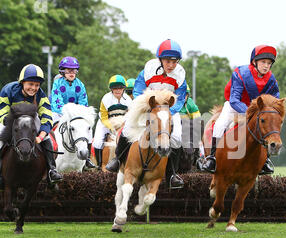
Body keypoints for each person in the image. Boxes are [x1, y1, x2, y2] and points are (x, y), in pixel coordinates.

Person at [105, 39, 187, 189]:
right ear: (160, 60)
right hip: (147, 107)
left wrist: (168, 111)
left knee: (176, 137)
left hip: (168, 110)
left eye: (175, 62)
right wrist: (149, 107)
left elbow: (180, 99)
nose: (171, 65)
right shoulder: (148, 70)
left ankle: (172, 175)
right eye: (168, 61)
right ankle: (117, 159)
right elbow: (137, 91)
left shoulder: (180, 75)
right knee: (128, 127)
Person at [202, 45, 280, 174]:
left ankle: (265, 160)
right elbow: (234, 100)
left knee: (267, 128)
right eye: (263, 62)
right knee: (220, 125)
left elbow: (274, 100)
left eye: (269, 63)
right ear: (254, 62)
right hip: (235, 106)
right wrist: (249, 111)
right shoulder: (240, 73)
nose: (266, 66)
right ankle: (212, 158)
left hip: (257, 111)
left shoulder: (271, 79)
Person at [0, 64, 63, 190]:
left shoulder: (41, 95)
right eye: (30, 84)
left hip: (32, 120)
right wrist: (8, 122)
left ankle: (51, 172)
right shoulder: (8, 90)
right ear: (22, 82)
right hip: (12, 120)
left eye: (37, 85)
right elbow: (2, 110)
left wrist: (42, 135)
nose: (33, 88)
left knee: (47, 138)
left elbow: (47, 117)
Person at [50, 56, 95, 169]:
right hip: (59, 113)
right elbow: (57, 101)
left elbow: (83, 102)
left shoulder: (80, 85)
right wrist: (67, 113)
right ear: (62, 71)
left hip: (76, 115)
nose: (71, 73)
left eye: (74, 70)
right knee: (49, 130)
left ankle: (87, 157)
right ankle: (50, 156)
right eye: (68, 70)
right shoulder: (57, 83)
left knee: (87, 129)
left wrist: (76, 114)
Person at [92, 75, 132, 169]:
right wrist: (111, 127)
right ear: (111, 89)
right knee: (97, 142)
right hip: (105, 123)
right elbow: (104, 117)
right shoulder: (106, 99)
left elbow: (130, 116)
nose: (118, 90)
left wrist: (121, 126)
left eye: (120, 88)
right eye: (115, 88)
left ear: (124, 88)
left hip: (123, 124)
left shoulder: (128, 100)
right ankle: (99, 164)